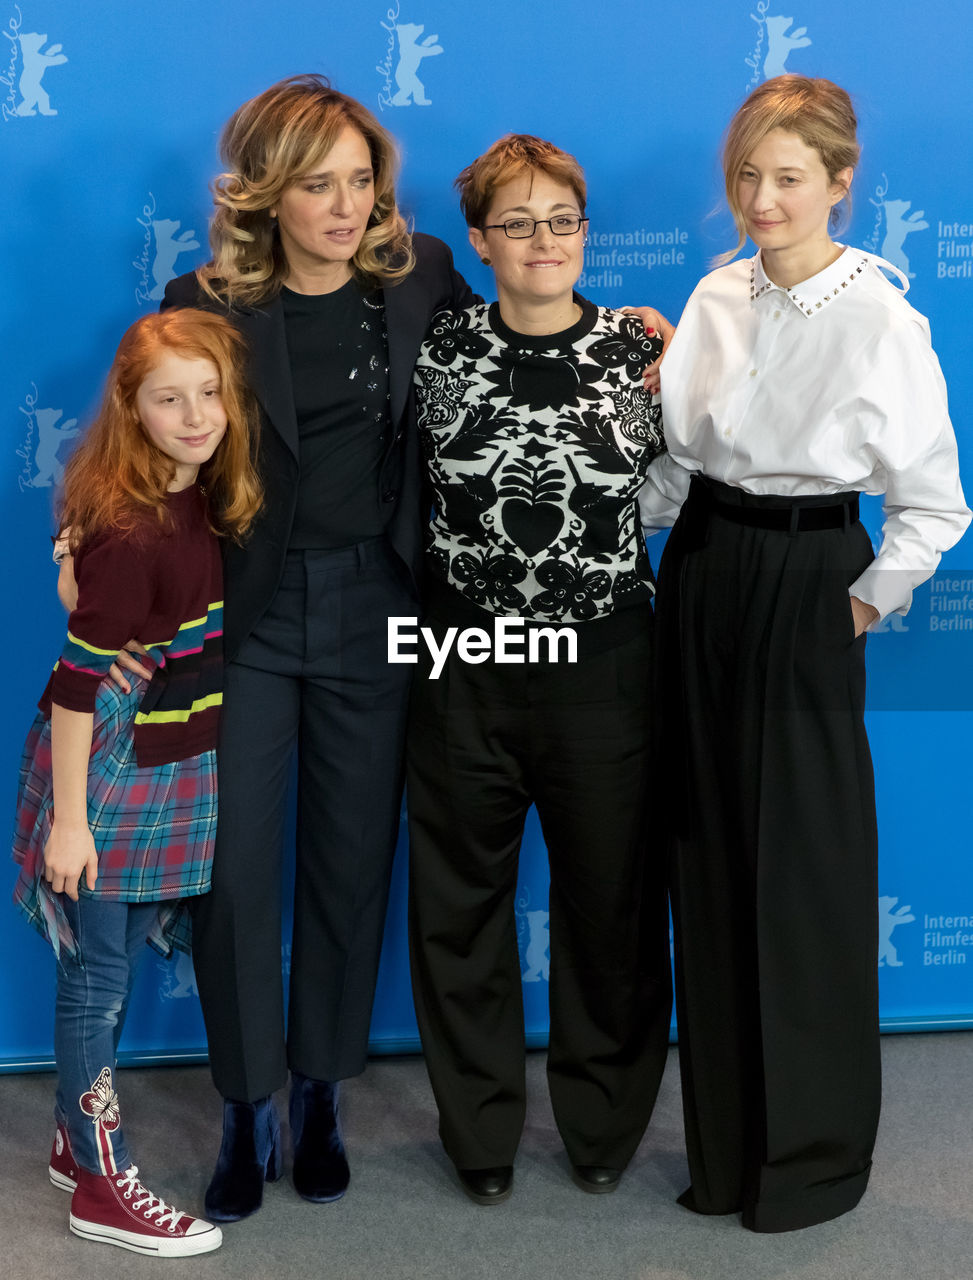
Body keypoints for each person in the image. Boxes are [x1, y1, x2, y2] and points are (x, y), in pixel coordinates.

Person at [639, 75, 970, 1232]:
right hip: (701, 569)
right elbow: (677, 463)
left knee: (805, 873)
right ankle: (724, 1152)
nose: (761, 198)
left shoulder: (883, 315)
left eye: (787, 177)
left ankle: (813, 1156)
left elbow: (934, 506)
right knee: (709, 851)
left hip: (808, 573)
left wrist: (860, 606)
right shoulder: (714, 292)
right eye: (746, 175)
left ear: (840, 182)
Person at [155, 74, 480, 1222]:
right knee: (235, 874)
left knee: (349, 860)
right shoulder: (201, 295)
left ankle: (319, 1096)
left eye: (360, 181)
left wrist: (624, 334)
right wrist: (93, 535)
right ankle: (244, 1106)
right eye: (317, 185)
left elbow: (504, 371)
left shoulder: (424, 274)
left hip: (378, 606)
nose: (346, 207)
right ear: (263, 194)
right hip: (245, 616)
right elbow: (163, 442)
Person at [406, 135, 674, 1206]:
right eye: (515, 223)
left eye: (561, 218)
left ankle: (602, 1121)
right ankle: (477, 1132)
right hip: (463, 654)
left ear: (585, 230)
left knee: (608, 901)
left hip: (603, 657)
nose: (542, 241)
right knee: (456, 904)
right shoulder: (437, 343)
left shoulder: (644, 349)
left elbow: (685, 487)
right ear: (478, 239)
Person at [11, 309, 261, 1257]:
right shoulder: (128, 528)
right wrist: (70, 825)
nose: (196, 416)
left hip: (171, 747)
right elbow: (78, 689)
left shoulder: (194, 491)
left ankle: (78, 1143)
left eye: (209, 393)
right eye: (169, 399)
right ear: (133, 408)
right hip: (112, 760)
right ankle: (100, 1186)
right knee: (99, 975)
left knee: (109, 963)